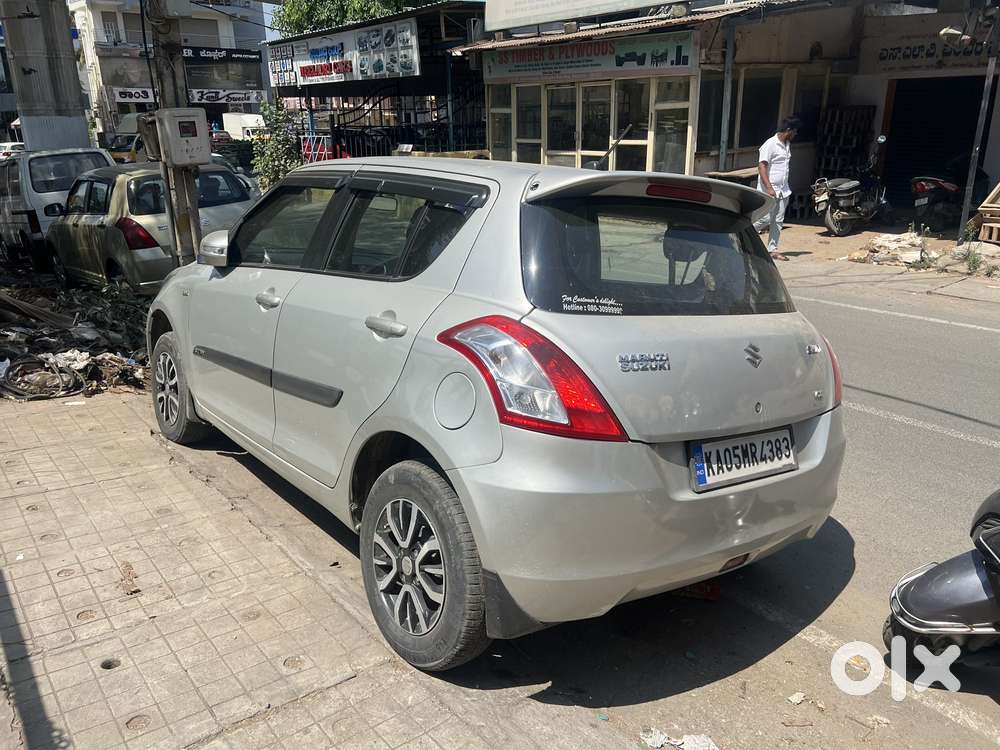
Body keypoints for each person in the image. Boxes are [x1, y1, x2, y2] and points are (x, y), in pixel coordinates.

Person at [755, 116, 801, 261]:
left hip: (783, 189)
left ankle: (772, 249)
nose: (795, 135)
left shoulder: (787, 144)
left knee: (778, 220)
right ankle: (741, 233)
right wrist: (769, 187)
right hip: (769, 189)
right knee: (765, 218)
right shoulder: (770, 144)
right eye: (794, 132)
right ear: (788, 130)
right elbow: (762, 166)